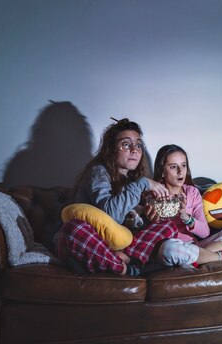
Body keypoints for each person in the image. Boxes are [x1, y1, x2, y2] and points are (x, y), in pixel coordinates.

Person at [53, 118, 179, 275]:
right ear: (111, 149)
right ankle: (125, 268)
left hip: (116, 246)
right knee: (73, 228)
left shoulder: (134, 179)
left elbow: (128, 229)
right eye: (126, 144)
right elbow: (110, 215)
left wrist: (148, 216)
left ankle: (120, 260)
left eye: (138, 145)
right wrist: (142, 184)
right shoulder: (98, 172)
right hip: (92, 238)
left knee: (168, 226)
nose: (134, 149)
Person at [152, 144, 222, 267]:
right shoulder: (153, 193)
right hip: (172, 249)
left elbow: (204, 232)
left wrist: (187, 218)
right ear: (162, 171)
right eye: (173, 167)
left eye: (183, 165)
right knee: (169, 248)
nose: (180, 171)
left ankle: (200, 258)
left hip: (196, 247)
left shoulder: (192, 192)